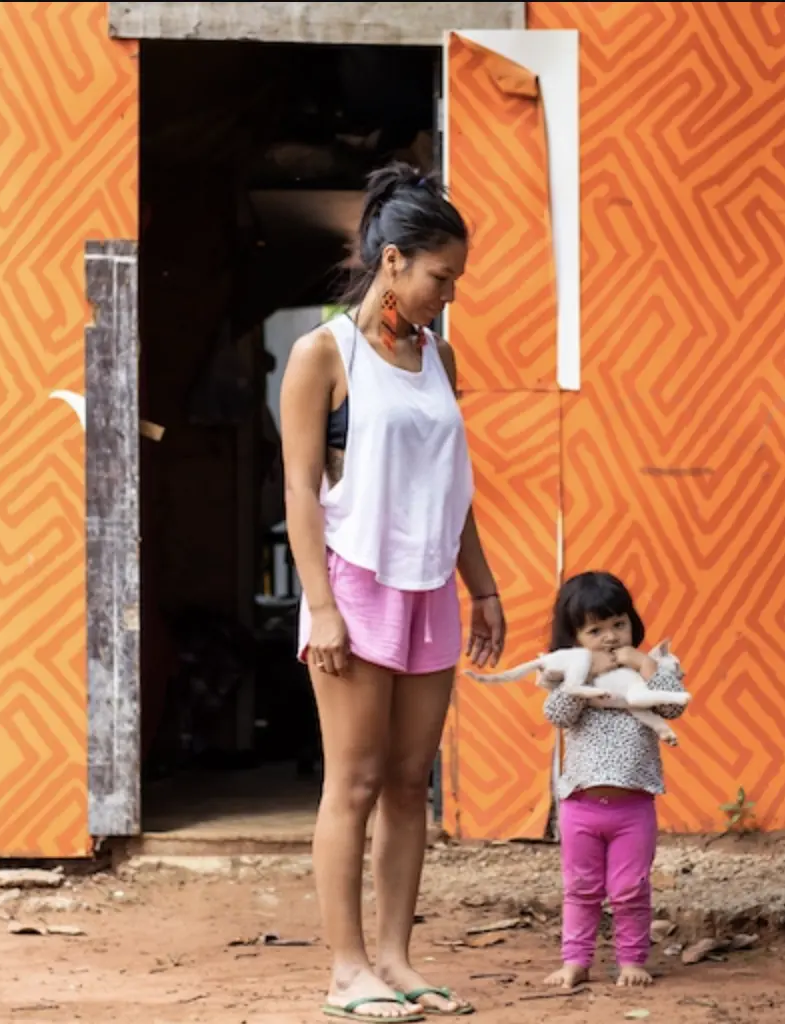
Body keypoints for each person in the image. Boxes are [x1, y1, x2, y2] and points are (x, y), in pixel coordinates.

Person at [279, 161, 507, 1022]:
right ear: (394, 261)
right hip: (353, 584)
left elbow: (450, 481)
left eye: (455, 281)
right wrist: (322, 608)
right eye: (440, 278)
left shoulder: (438, 355)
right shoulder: (320, 354)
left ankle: (400, 960)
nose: (448, 295)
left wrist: (480, 587)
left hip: (429, 590)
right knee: (357, 780)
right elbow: (300, 489)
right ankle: (346, 970)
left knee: (412, 782)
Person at [538, 572, 688, 990]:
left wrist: (645, 664)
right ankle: (575, 960)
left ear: (632, 624)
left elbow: (672, 710)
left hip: (633, 807)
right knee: (581, 887)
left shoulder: (648, 669)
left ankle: (631, 960)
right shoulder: (570, 677)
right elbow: (557, 716)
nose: (609, 638)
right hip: (580, 806)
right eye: (594, 630)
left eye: (618, 625)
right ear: (574, 640)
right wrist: (583, 679)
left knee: (630, 888)